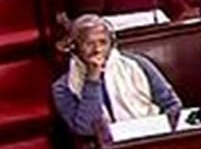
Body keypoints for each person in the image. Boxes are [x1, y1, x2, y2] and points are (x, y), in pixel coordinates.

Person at [53, 14, 182, 136]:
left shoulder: (138, 65)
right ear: (75, 48)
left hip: (150, 135)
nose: (97, 49)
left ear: (112, 43)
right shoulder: (63, 87)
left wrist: (159, 129)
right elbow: (86, 129)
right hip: (106, 147)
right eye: (89, 44)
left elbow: (172, 104)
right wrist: (92, 79)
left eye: (103, 42)